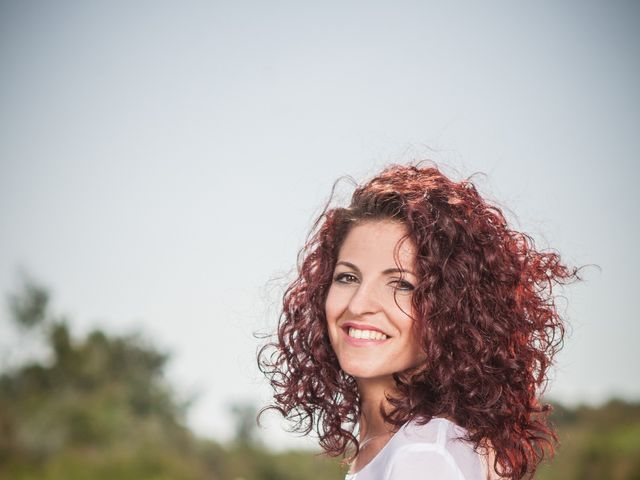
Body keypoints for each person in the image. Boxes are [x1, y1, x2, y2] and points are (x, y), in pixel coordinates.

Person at [258, 163, 579, 479]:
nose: (359, 304)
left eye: (401, 284)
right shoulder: (405, 445)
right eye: (347, 277)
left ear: (452, 309)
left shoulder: (422, 455)